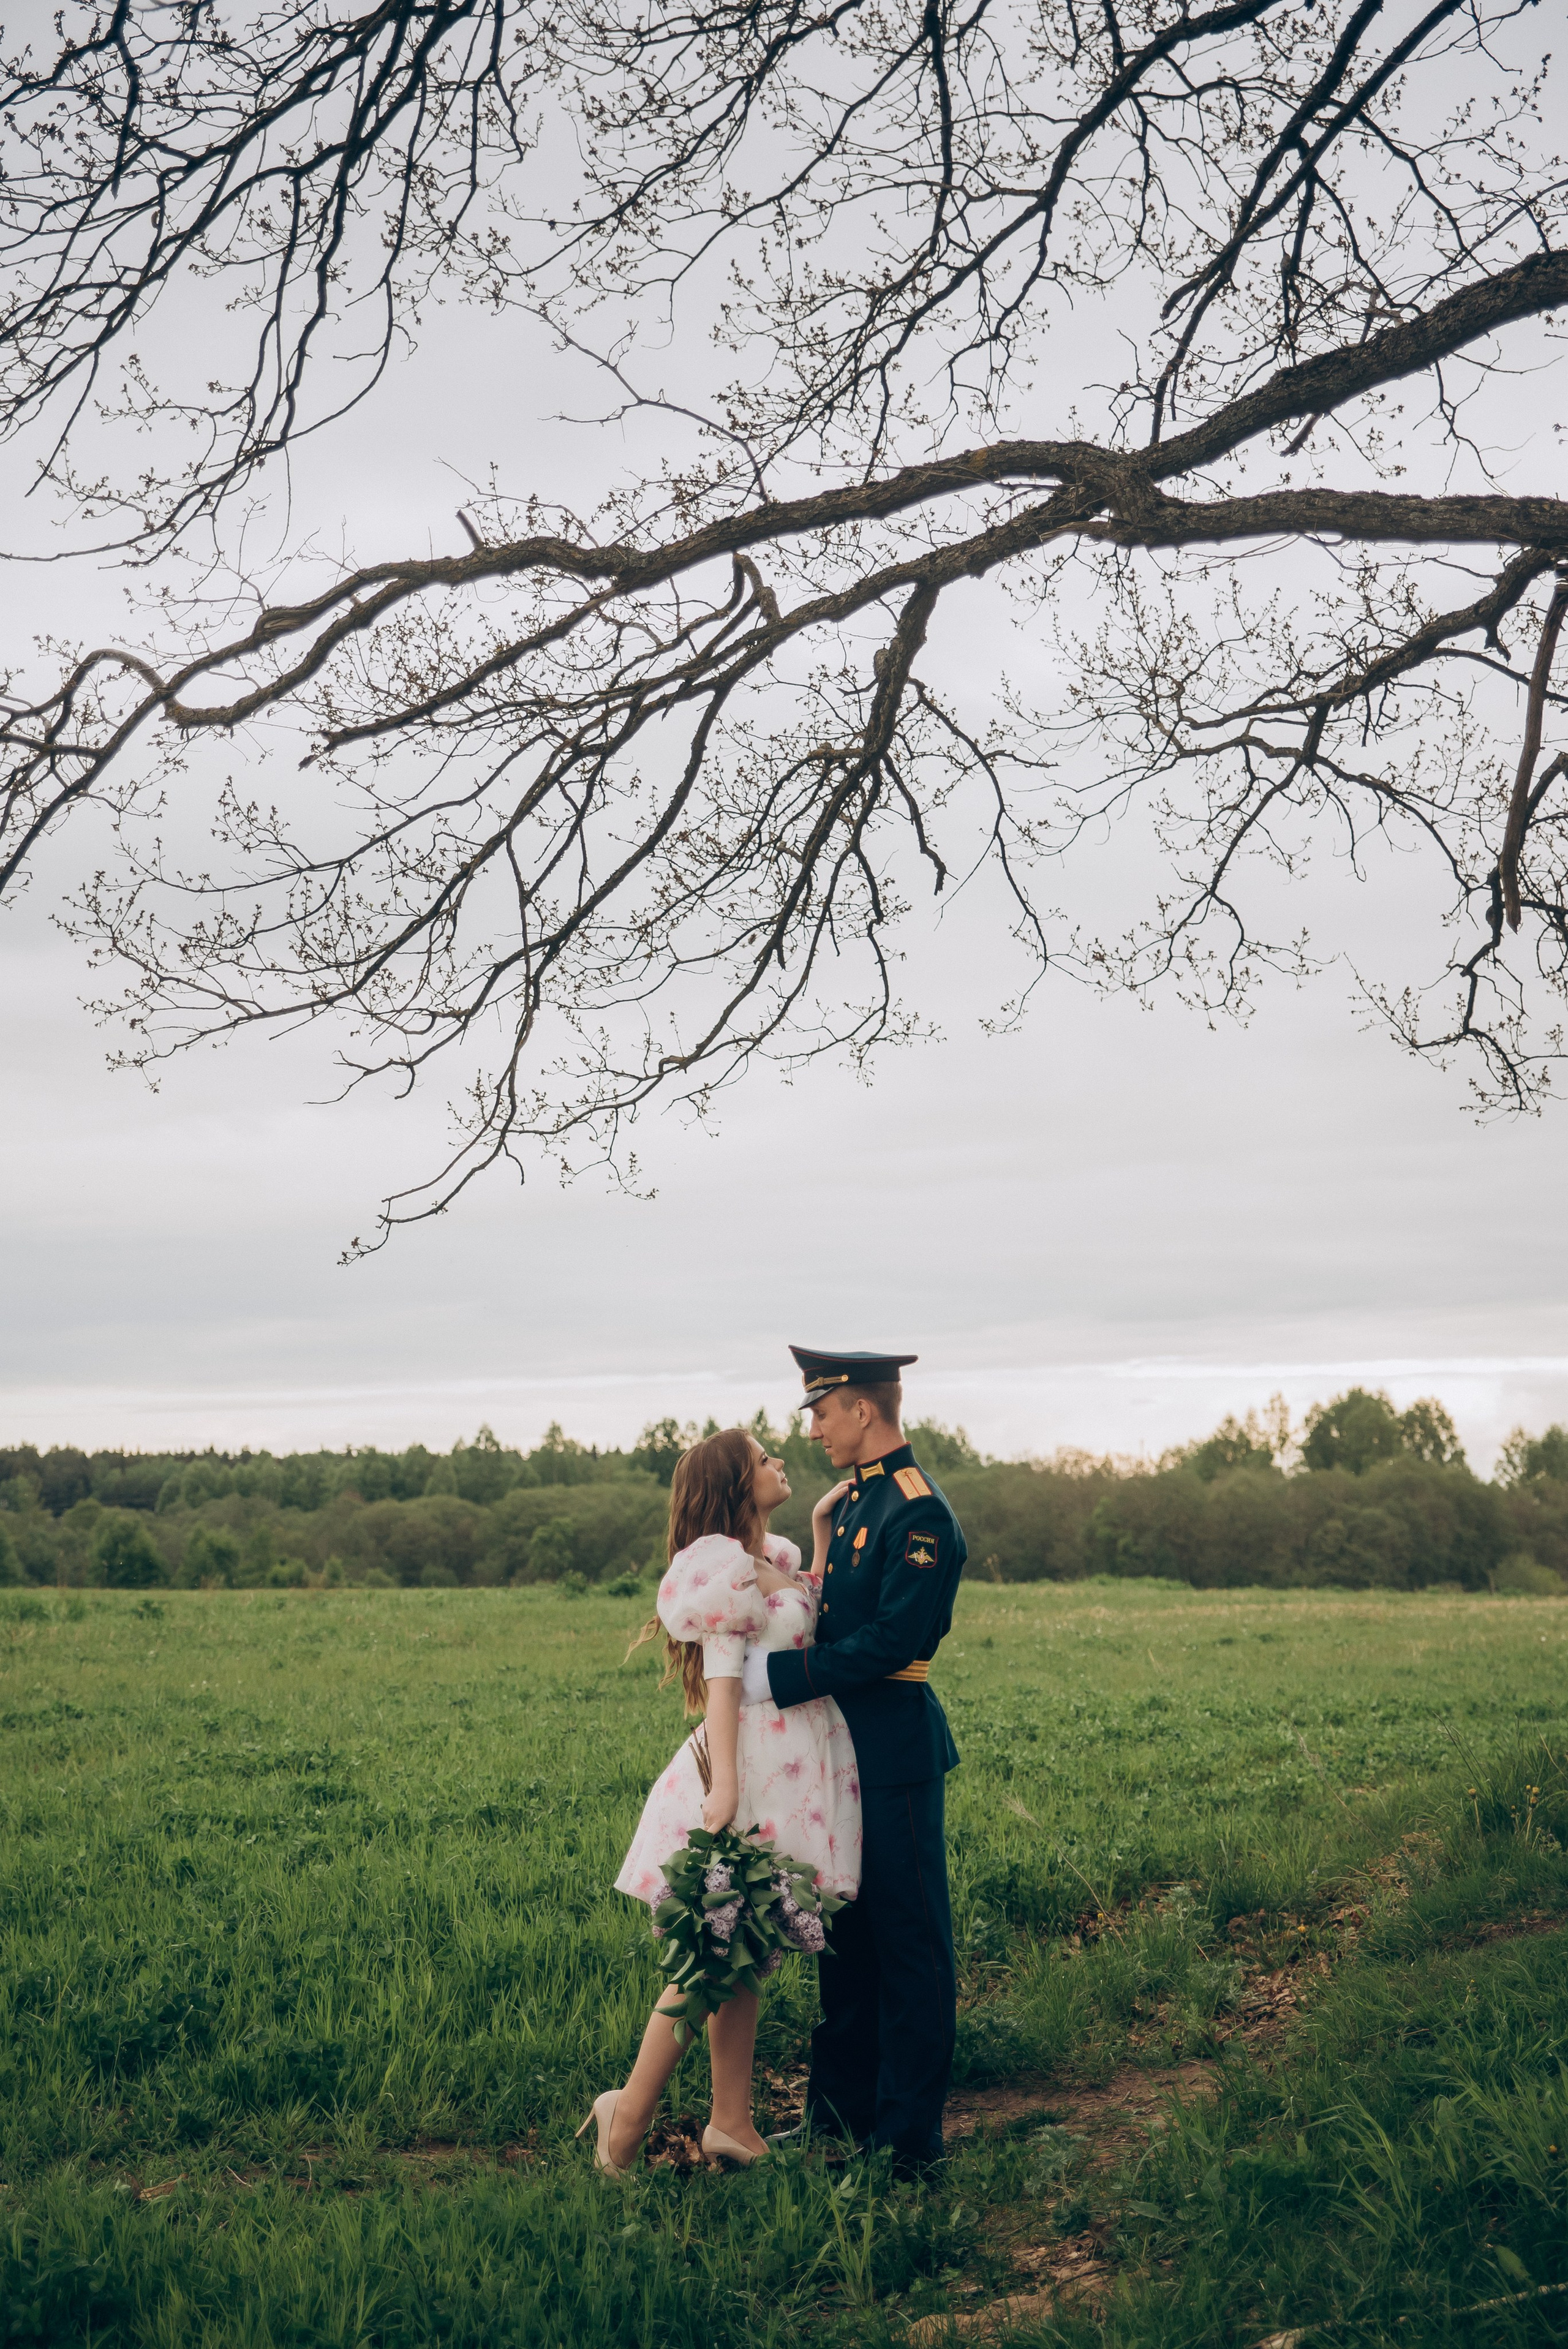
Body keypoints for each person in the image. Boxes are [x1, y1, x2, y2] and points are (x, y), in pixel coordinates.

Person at [581, 1426, 861, 2176]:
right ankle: (627, 2116)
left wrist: (820, 1538)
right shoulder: (725, 1572)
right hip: (752, 1765)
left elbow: (813, 1624)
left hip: (793, 1766)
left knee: (749, 1950)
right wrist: (727, 1787)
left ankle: (730, 2121)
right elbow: (724, 1682)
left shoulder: (772, 1560)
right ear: (738, 1484)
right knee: (711, 1952)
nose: (779, 1462)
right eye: (763, 1459)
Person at [742, 1346, 966, 2173]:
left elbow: (888, 1642)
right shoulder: (864, 1500)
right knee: (848, 1941)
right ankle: (839, 2116)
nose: (815, 1427)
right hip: (839, 1752)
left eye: (823, 1412)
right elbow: (840, 1613)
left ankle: (908, 2142)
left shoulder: (919, 1512)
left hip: (894, 1749)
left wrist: (776, 1676)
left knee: (910, 1946)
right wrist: (822, 1544)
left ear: (863, 1410)